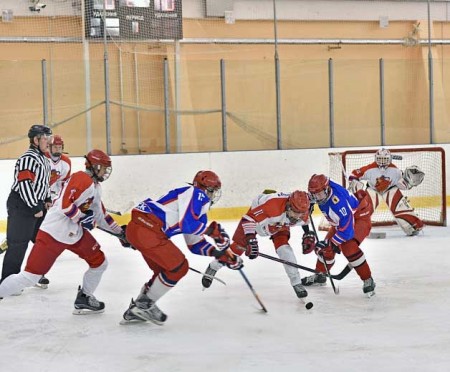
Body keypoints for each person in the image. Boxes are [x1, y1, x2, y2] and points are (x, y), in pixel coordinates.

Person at [0, 149, 126, 314]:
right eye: (103, 167)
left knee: (99, 262)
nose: (106, 171)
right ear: (95, 166)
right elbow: (67, 206)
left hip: (74, 234)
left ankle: (84, 298)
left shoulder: (95, 187)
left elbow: (101, 216)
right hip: (53, 233)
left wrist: (121, 233)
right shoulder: (82, 178)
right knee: (30, 277)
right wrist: (83, 218)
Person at [121, 170, 241, 325]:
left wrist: (217, 253)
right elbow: (188, 224)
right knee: (179, 267)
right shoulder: (196, 193)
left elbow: (195, 244)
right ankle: (143, 306)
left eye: (215, 191)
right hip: (148, 230)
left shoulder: (197, 209)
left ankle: (137, 308)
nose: (212, 195)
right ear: (202, 187)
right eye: (211, 191)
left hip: (141, 230)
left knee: (163, 272)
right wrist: (211, 232)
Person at [202, 190, 312, 300]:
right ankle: (213, 267)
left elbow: (304, 219)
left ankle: (296, 282)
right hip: (258, 217)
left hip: (279, 222)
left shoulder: (302, 210)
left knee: (285, 249)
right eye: (296, 212)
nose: (298, 217)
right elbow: (248, 219)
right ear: (289, 205)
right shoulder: (272, 207)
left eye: (301, 213)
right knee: (237, 249)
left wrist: (307, 233)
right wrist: (251, 240)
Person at [302, 174, 376, 296]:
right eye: (315, 195)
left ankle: (368, 279)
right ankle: (320, 276)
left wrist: (331, 243)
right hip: (341, 222)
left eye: (319, 195)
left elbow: (347, 232)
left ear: (327, 189)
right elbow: (314, 193)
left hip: (359, 219)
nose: (318, 198)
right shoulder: (322, 188)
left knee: (349, 247)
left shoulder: (339, 203)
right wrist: (309, 204)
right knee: (325, 250)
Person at [1, 125, 53, 290]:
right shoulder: (28, 158)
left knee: (41, 242)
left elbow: (43, 183)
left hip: (35, 205)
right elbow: (25, 184)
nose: (48, 141)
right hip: (22, 205)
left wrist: (47, 198)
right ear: (36, 140)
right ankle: (7, 282)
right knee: (18, 244)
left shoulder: (44, 159)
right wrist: (34, 206)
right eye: (45, 138)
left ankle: (33, 274)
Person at [348, 148, 424, 236]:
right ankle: (354, 227)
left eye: (385, 159)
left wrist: (410, 181)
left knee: (400, 207)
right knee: (365, 209)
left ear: (389, 159)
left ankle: (413, 226)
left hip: (390, 189)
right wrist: (354, 183)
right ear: (376, 158)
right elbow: (354, 174)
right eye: (380, 159)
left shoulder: (395, 171)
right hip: (373, 189)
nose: (382, 162)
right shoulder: (370, 169)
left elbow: (403, 185)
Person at [46, 134, 72, 201]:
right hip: (40, 195)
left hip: (55, 196)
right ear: (49, 147)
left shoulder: (66, 162)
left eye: (59, 147)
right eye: (55, 147)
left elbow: (64, 182)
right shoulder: (42, 158)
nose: (57, 149)